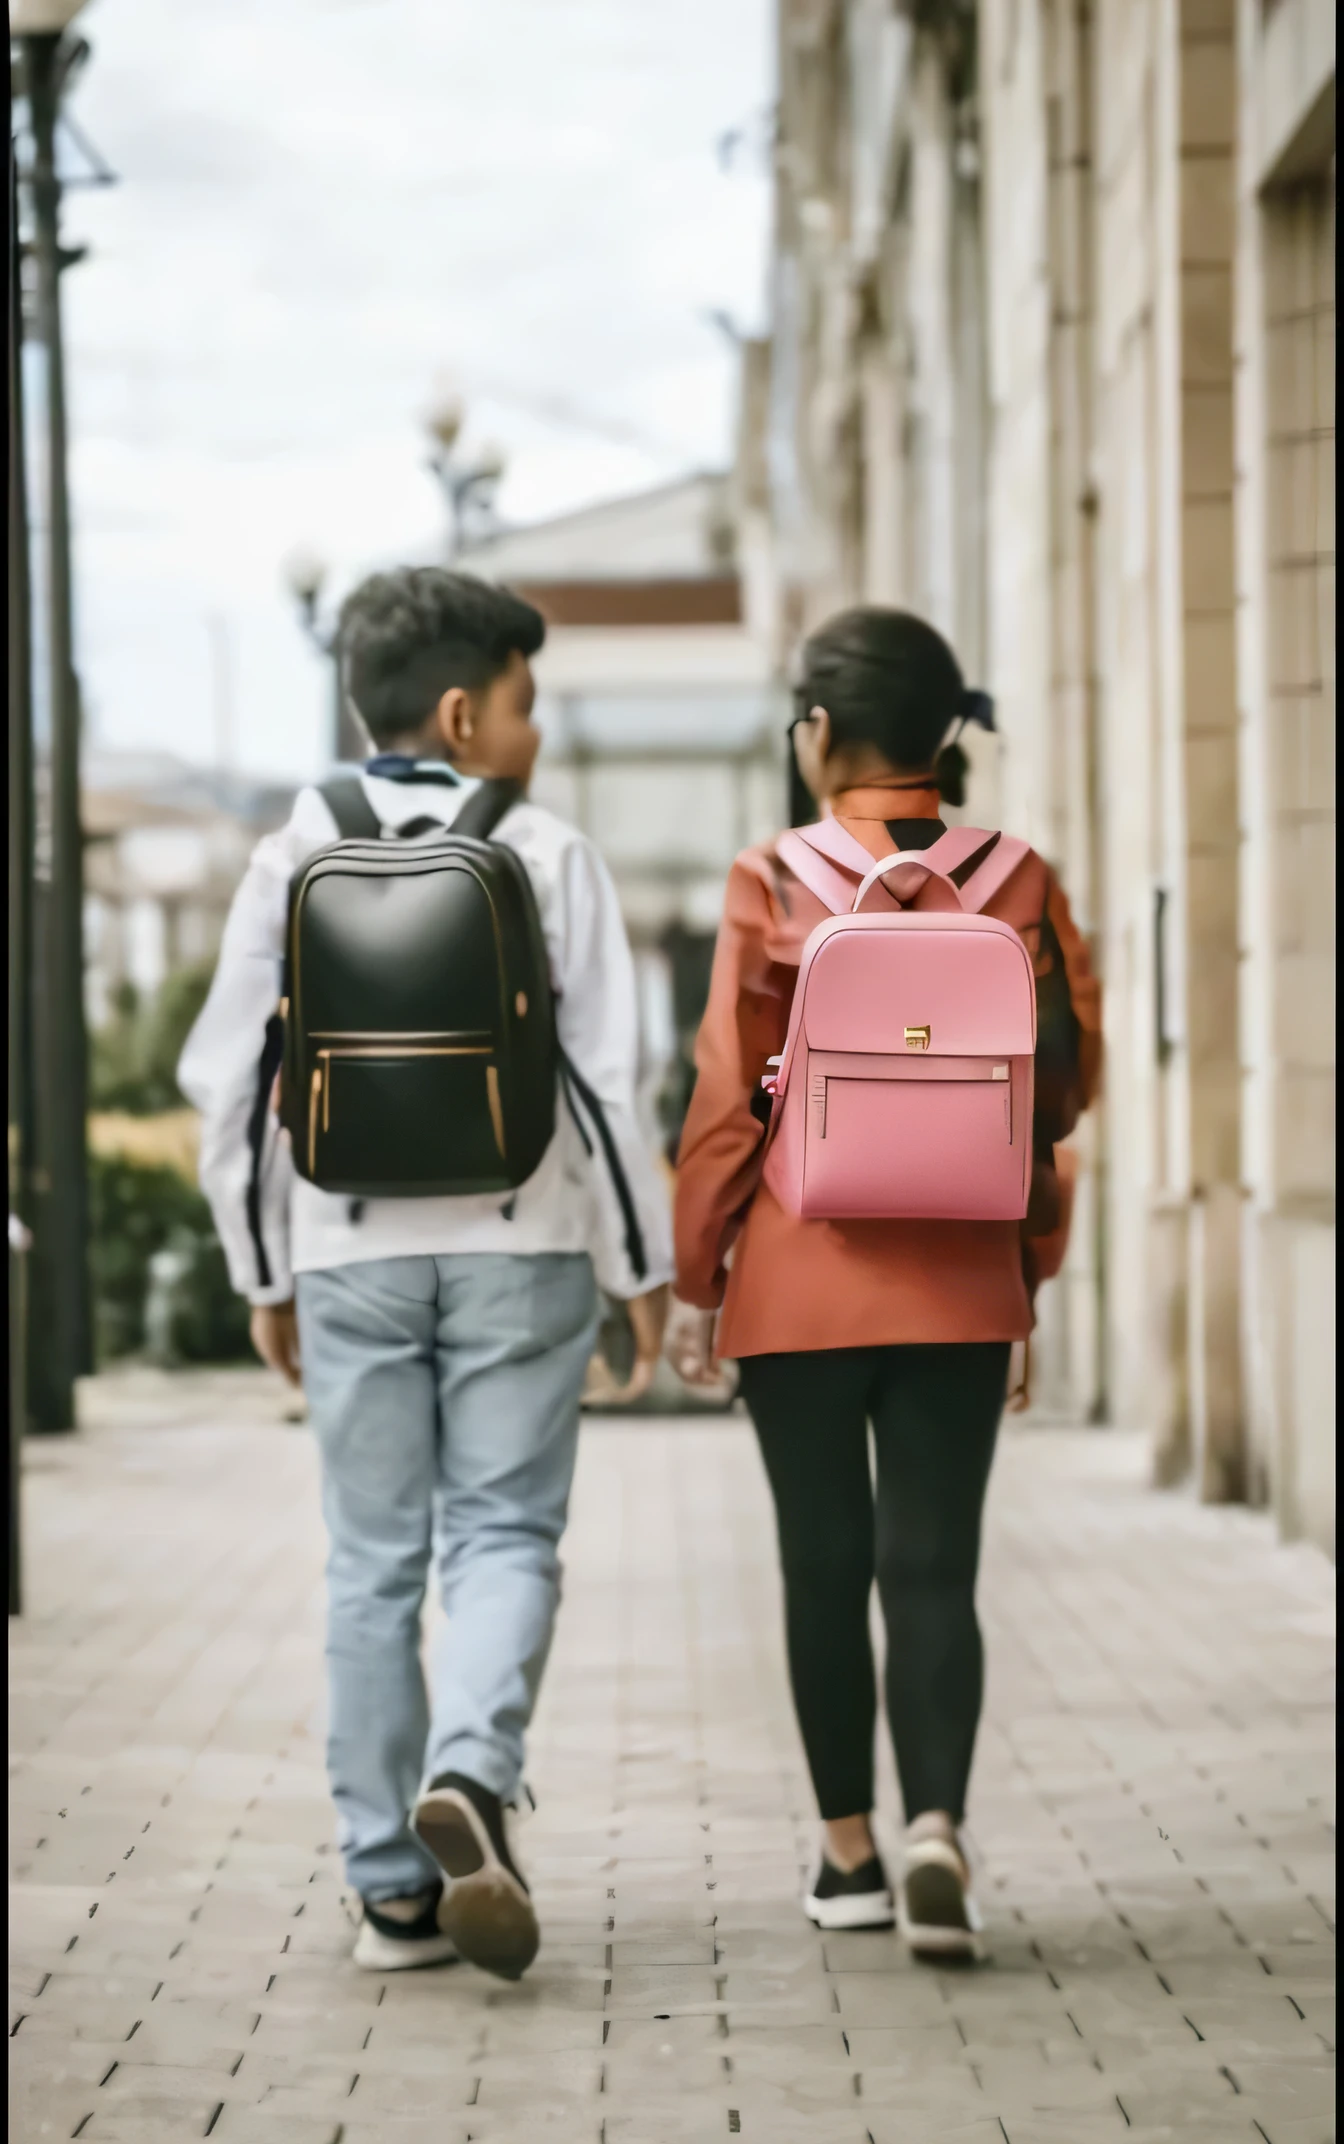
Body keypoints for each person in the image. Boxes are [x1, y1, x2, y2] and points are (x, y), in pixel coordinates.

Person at [179, 568, 672, 1980]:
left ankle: (391, 1890)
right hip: (525, 1244)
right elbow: (605, 1089)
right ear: (462, 713)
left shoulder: (292, 852)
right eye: (524, 703)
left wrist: (263, 1274)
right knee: (505, 1538)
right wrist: (643, 1268)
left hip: (347, 1251)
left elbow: (229, 1081)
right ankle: (470, 1769)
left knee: (371, 1568)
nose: (536, 729)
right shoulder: (553, 853)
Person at [667, 606, 1100, 1960]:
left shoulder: (771, 881)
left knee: (821, 1565)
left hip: (802, 1276)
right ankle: (939, 1831)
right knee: (932, 1569)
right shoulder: (1019, 878)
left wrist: (698, 1277)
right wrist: (1025, 1263)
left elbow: (730, 1100)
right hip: (962, 1280)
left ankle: (848, 1858)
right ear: (940, 732)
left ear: (817, 734)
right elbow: (1057, 1091)